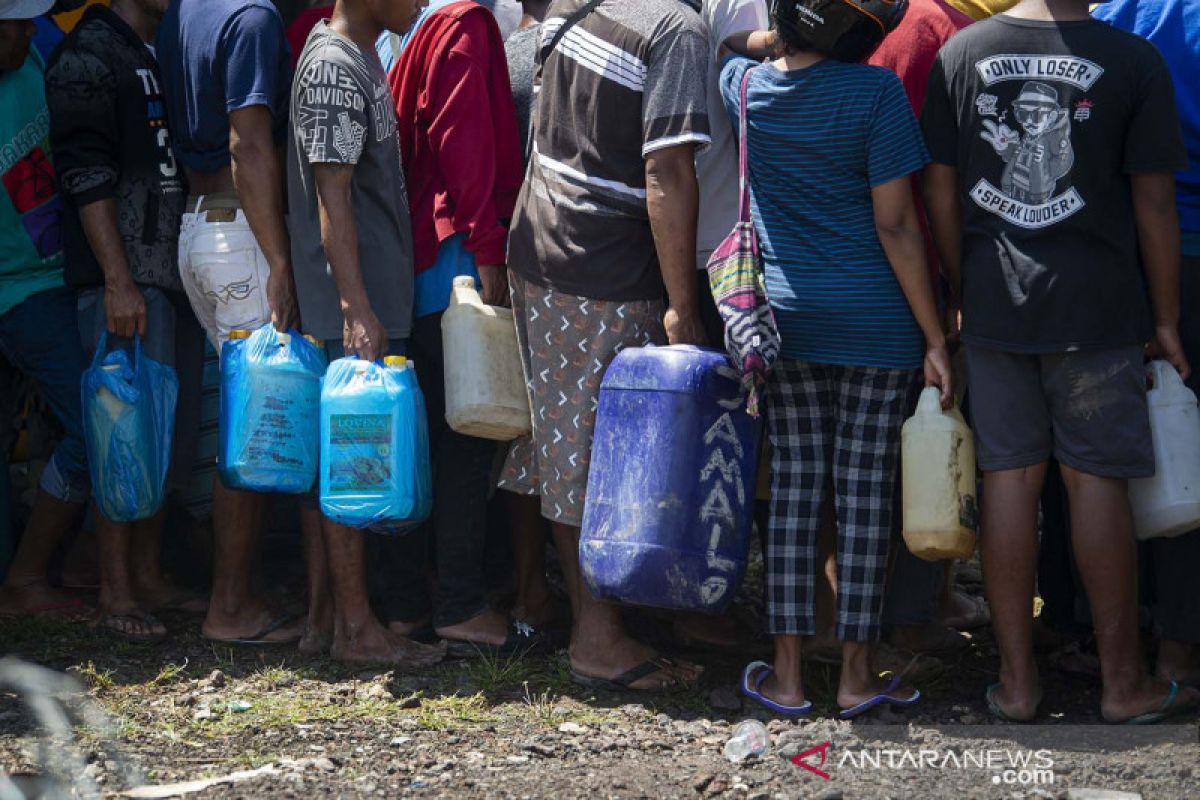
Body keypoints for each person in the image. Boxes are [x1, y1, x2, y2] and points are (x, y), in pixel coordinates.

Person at [921, 0, 1200, 722]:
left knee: (1008, 480)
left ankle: (1015, 686)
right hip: (1099, 309)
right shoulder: (1135, 61)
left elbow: (940, 189)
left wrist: (963, 285)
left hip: (995, 306)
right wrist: (1165, 317)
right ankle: (1122, 684)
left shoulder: (962, 53)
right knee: (1097, 482)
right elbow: (1155, 205)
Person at [725, 0, 951, 718]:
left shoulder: (747, 88)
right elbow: (896, 224)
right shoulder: (878, 93)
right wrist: (936, 338)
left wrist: (772, 38)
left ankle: (788, 676)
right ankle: (858, 674)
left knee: (793, 493)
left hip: (787, 324)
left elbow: (731, 44)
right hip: (879, 325)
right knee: (864, 499)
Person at [501, 0, 710, 691]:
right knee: (591, 457)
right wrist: (684, 306)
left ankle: (597, 614)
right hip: (599, 267)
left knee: (563, 440)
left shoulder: (577, 7)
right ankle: (597, 637)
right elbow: (668, 173)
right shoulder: (673, 30)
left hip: (540, 246)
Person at [287, 0, 443, 667]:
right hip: (351, 310)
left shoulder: (362, 56)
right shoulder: (331, 66)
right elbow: (333, 198)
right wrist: (355, 306)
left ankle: (330, 620)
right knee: (352, 463)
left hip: (370, 301)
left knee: (347, 462)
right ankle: (356, 629)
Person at [385, 0, 542, 655]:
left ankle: (403, 605)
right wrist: (485, 247)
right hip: (452, 261)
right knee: (467, 443)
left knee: (425, 444)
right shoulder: (464, 22)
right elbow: (463, 140)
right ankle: (458, 605)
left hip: (420, 259)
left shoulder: (423, 26)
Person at [46, 0, 206, 641]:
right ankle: (116, 591)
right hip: (124, 279)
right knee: (120, 430)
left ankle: (146, 575)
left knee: (159, 434)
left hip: (162, 274)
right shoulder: (85, 54)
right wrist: (116, 279)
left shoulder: (146, 49)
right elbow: (86, 176)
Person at [156, 0, 313, 646]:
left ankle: (236, 592)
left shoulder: (183, 13)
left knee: (239, 420)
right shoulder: (252, 17)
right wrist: (281, 258)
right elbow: (247, 141)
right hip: (240, 235)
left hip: (198, 227)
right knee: (255, 426)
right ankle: (231, 606)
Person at [866, 0, 982, 656]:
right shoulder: (938, 31)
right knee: (927, 436)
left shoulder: (890, 24)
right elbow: (940, 182)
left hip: (879, 257)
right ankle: (911, 620)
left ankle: (910, 606)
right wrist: (952, 292)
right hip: (917, 261)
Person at [1095, 0, 1200, 689]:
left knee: (1165, 449)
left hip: (1142, 257)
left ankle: (1164, 651)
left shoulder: (1112, 17)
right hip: (1162, 247)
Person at [0, 0, 92, 623]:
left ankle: (71, 562)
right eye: (7, 23)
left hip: (62, 279)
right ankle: (26, 576)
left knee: (99, 425)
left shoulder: (37, 49)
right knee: (98, 426)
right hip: (20, 295)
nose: (18, 33)